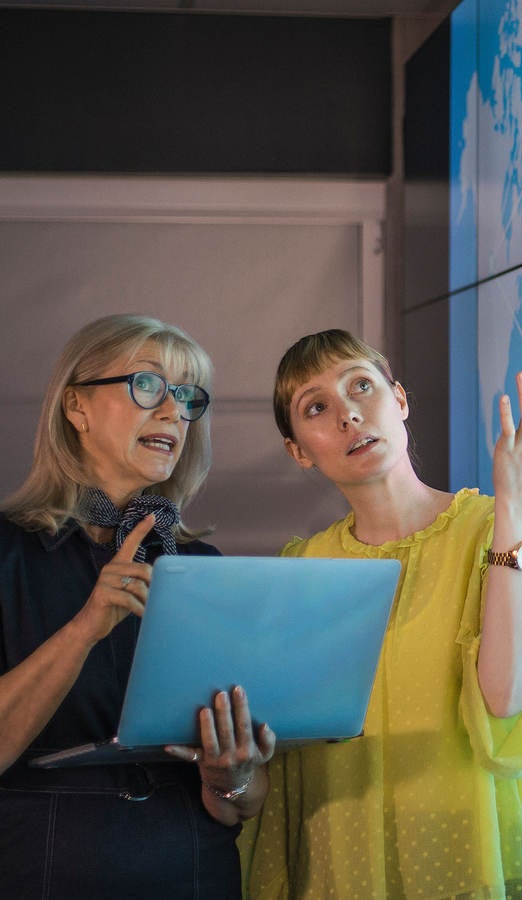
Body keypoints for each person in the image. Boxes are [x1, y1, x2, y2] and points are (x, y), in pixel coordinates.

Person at [240, 329, 522, 899]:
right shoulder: (301, 569)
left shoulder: (499, 526)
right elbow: (279, 760)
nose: (348, 414)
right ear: (299, 450)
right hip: (344, 868)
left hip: (477, 862)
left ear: (399, 400)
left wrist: (516, 497)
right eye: (316, 407)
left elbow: (508, 699)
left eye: (361, 387)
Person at [0, 314, 275, 898]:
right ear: (76, 407)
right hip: (44, 868)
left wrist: (232, 776)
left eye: (186, 395)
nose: (174, 411)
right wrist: (85, 628)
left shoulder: (205, 567)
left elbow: (242, 807)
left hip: (194, 871)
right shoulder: (7, 552)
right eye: (147, 385)